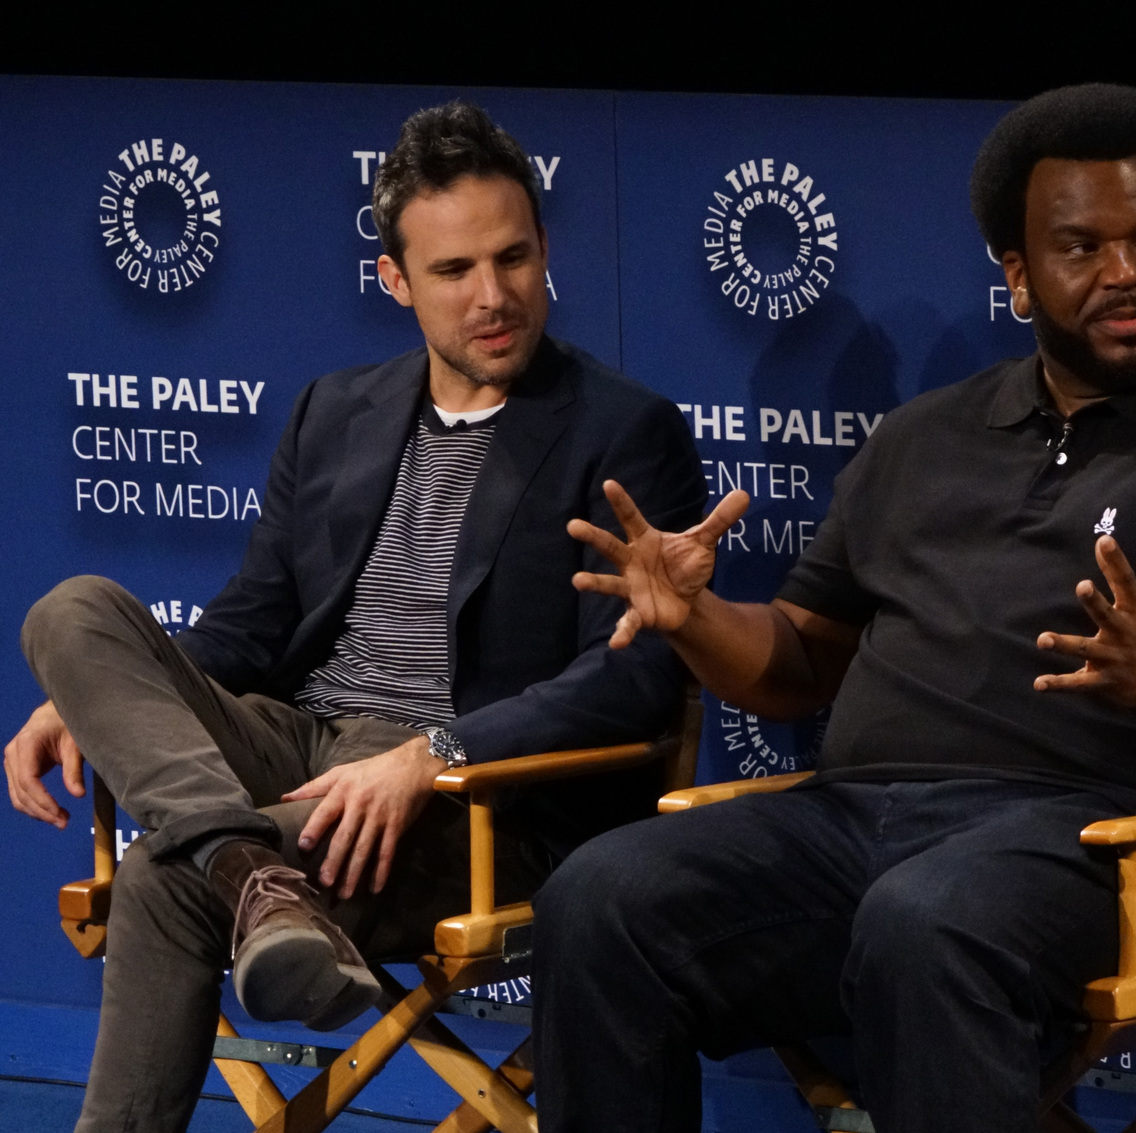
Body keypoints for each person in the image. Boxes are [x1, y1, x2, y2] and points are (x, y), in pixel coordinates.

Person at [531, 84, 1136, 1133]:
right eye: (1082, 247)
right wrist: (698, 618)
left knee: (929, 920)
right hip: (858, 823)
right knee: (599, 897)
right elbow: (799, 661)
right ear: (1018, 278)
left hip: (1123, 849)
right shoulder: (921, 438)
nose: (1127, 273)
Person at [3, 101, 703, 1133]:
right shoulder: (337, 409)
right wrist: (110, 693)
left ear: (546, 252)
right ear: (395, 281)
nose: (494, 295)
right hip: (299, 748)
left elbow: (634, 679)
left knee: (165, 873)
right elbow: (248, 622)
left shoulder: (622, 430)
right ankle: (253, 870)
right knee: (72, 614)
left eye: (513, 258)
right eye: (455, 270)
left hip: (474, 803)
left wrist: (431, 751)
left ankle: (229, 866)